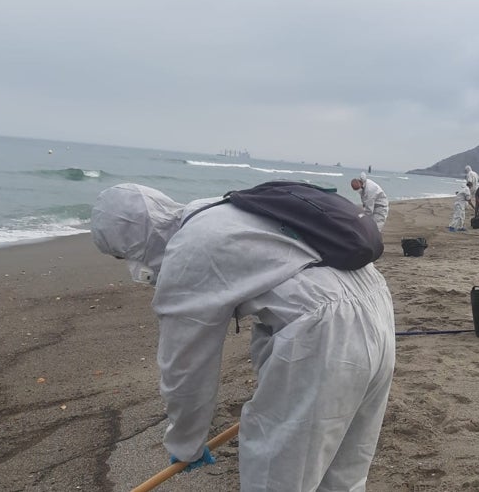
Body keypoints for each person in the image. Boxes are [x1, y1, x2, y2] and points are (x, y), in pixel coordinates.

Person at [91, 183, 396, 491]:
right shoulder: (220, 209)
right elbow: (281, 297)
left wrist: (186, 444)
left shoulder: (188, 249)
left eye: (121, 254)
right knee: (344, 472)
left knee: (277, 479)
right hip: (376, 304)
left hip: (326, 330)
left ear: (131, 241)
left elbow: (186, 366)